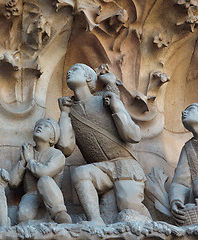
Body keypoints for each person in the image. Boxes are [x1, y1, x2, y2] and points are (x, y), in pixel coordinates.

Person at [57, 63, 150, 225]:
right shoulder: (70, 111)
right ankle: (95, 220)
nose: (69, 72)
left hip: (125, 166)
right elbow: (66, 148)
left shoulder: (103, 99)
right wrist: (64, 115)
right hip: (101, 170)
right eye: (69, 70)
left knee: (129, 212)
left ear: (88, 77)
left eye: (75, 69)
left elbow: (133, 135)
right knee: (80, 173)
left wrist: (116, 108)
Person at [9, 118, 72, 224]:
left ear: (52, 139)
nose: (40, 127)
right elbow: (12, 183)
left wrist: (29, 160)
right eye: (38, 125)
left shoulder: (57, 155)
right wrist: (23, 161)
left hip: (50, 194)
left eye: (46, 126)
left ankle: (60, 214)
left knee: (45, 180)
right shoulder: (28, 152)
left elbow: (44, 173)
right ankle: (43, 222)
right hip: (31, 195)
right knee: (23, 216)